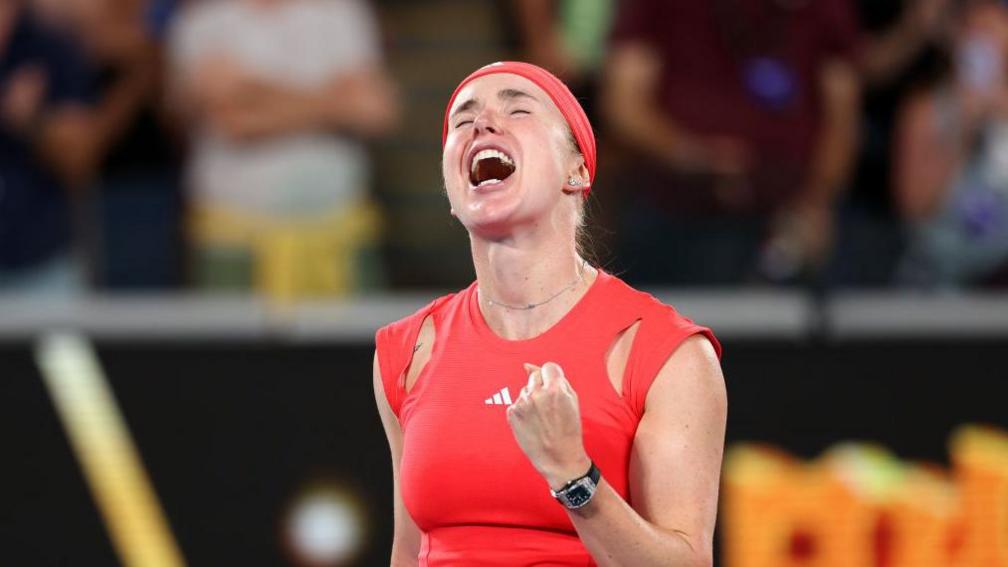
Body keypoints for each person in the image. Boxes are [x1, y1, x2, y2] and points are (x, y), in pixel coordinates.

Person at [373, 62, 727, 566]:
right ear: (451, 193)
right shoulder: (408, 350)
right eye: (462, 121)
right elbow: (408, 553)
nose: (483, 125)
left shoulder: (667, 354)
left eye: (517, 109)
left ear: (576, 170)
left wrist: (573, 475)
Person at [602, 0, 862, 285]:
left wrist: (815, 200)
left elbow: (842, 121)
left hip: (786, 217)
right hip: (674, 209)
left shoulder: (823, 9)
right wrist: (694, 156)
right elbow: (623, 106)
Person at [167, 0, 398, 296]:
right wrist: (335, 100)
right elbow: (232, 120)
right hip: (234, 247)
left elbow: (374, 111)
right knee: (232, 342)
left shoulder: (340, 11)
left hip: (338, 240)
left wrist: (256, 94)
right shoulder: (205, 20)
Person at [893, 0, 1008, 287]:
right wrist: (961, 130)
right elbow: (914, 207)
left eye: (996, 27)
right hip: (938, 279)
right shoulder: (924, 110)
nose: (987, 39)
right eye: (976, 28)